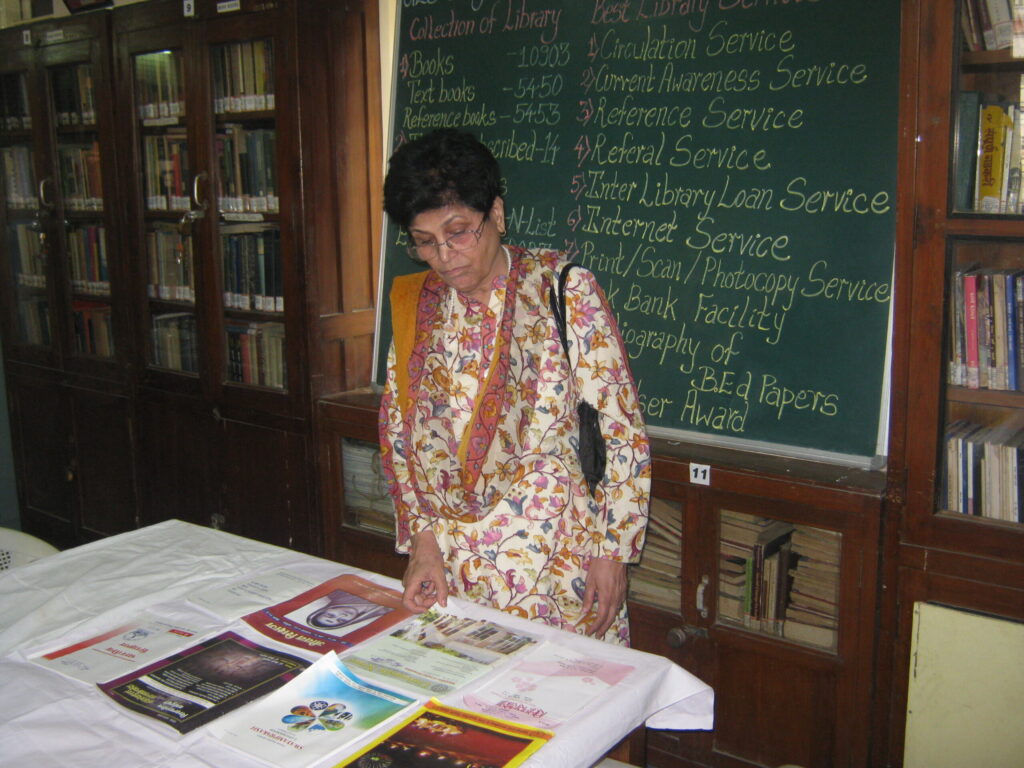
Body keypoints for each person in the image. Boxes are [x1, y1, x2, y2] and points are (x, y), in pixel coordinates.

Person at [379, 128, 650, 645]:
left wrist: (613, 553)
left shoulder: (562, 292)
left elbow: (621, 433)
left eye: (459, 232)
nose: (444, 256)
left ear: (497, 215)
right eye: (425, 242)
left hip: (559, 571)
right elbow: (400, 437)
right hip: (455, 570)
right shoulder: (419, 308)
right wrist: (423, 546)